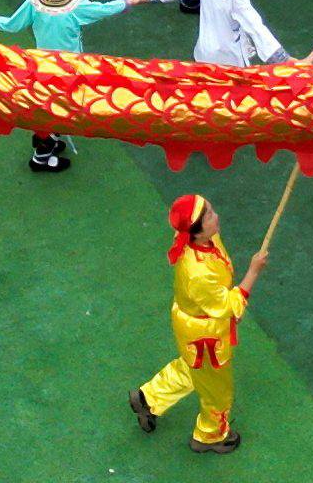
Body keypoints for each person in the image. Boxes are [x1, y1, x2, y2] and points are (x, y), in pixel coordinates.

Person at [132, 188, 262, 450]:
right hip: (206, 334)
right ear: (198, 230)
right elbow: (229, 305)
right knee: (217, 391)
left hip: (194, 327)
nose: (217, 216)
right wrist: (253, 271)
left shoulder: (200, 241)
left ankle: (150, 397)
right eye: (211, 215)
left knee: (194, 369)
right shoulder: (199, 273)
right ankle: (210, 435)